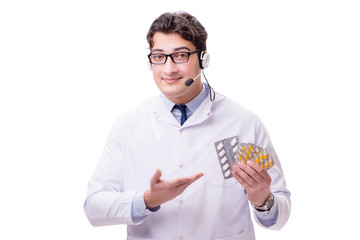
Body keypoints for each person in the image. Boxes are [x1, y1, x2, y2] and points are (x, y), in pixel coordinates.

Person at [84, 11, 291, 240]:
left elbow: (280, 218)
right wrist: (147, 200)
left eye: (180, 56)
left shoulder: (244, 123)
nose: (169, 69)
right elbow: (93, 207)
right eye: (159, 57)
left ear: (203, 59)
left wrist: (263, 199)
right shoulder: (128, 125)